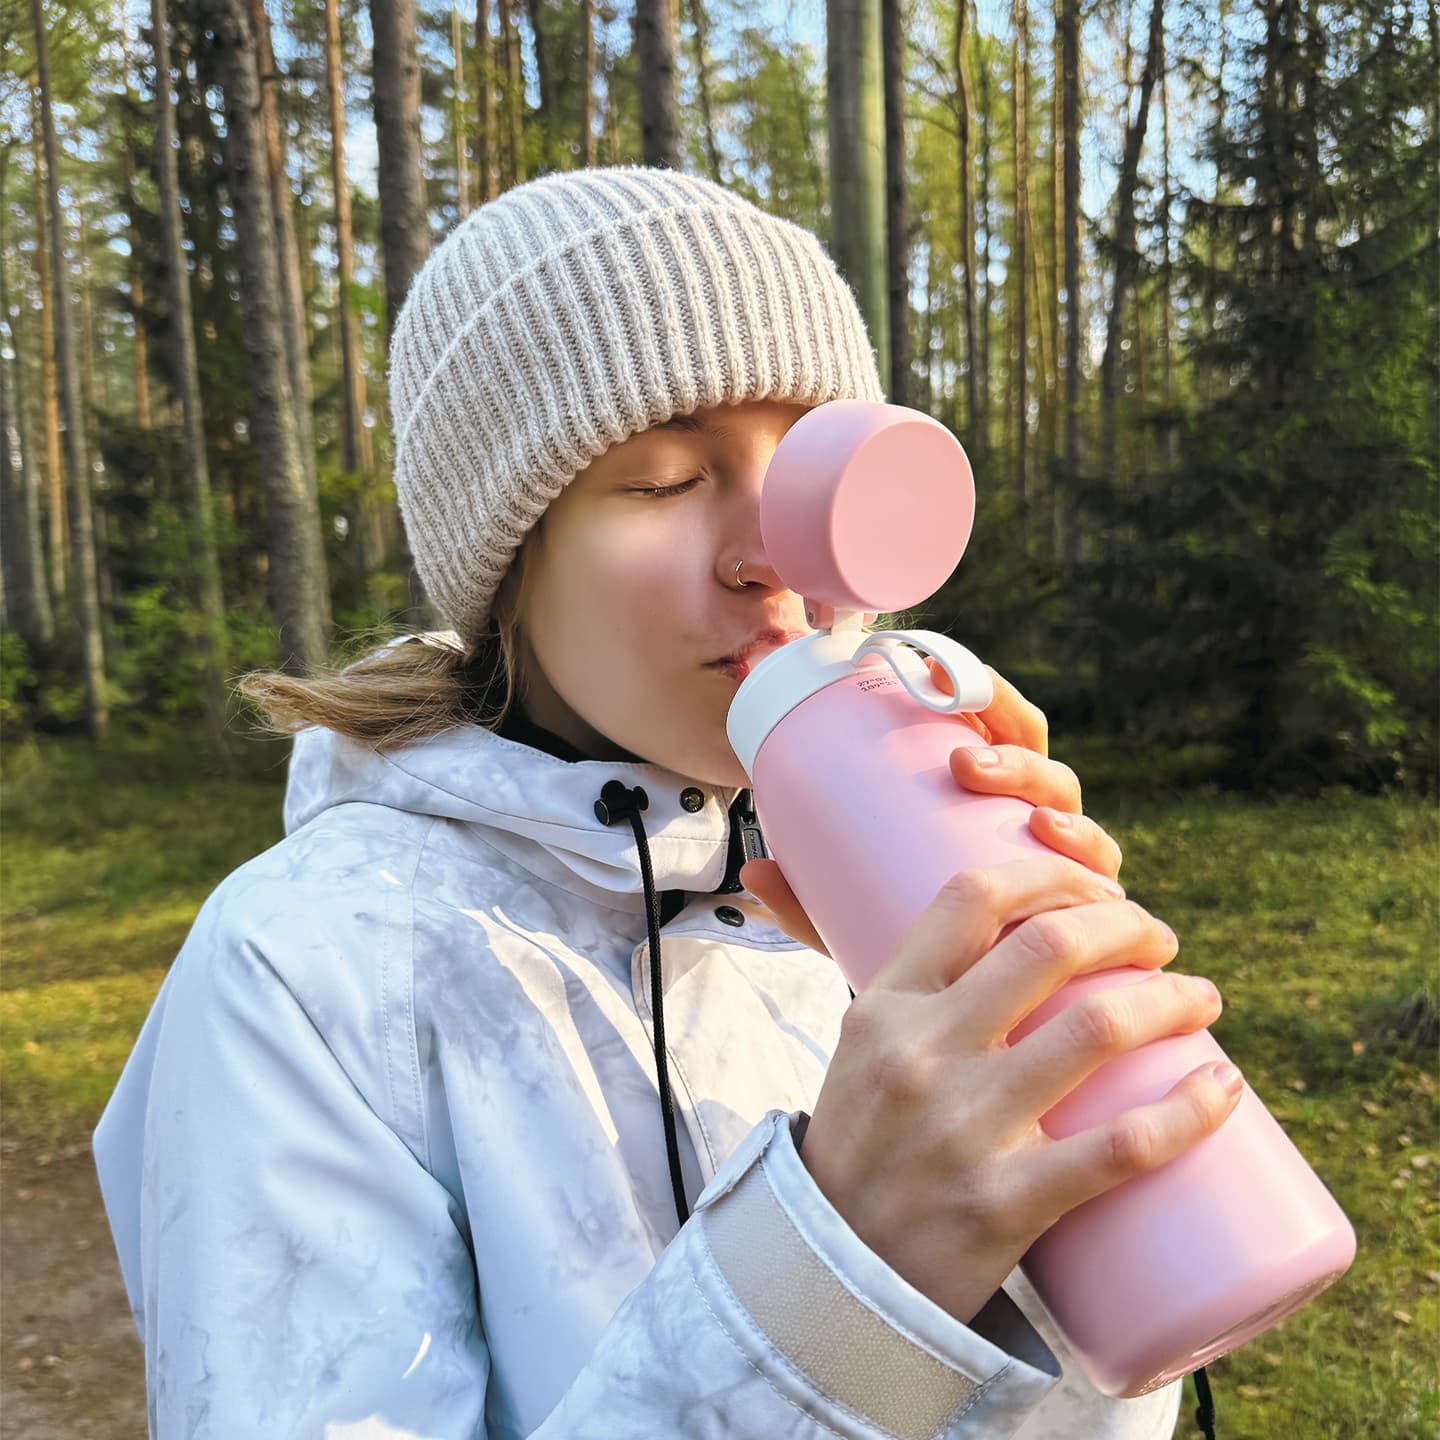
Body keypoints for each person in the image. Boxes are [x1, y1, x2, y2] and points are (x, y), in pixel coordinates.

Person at [93, 166, 1238, 1439]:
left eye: (819, 475)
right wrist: (836, 1286)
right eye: (663, 478)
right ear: (506, 563)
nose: (773, 558)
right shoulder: (304, 971)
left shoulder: (872, 908)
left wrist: (1072, 1073)